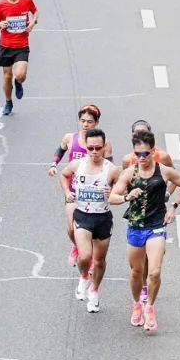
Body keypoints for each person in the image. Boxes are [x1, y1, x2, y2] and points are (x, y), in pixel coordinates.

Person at [109, 131, 180, 335]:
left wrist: (173, 206)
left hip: (156, 226)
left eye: (145, 153)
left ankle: (150, 307)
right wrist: (128, 196)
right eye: (137, 154)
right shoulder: (129, 173)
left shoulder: (163, 171)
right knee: (137, 272)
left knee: (154, 271)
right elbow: (113, 197)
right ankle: (137, 303)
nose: (141, 158)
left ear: (153, 151)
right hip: (136, 227)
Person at [61, 128, 118, 313]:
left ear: (104, 147)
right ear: (86, 146)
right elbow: (64, 174)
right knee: (85, 256)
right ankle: (84, 276)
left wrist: (115, 193)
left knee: (100, 260)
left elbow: (121, 190)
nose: (94, 152)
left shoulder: (112, 170)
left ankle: (94, 291)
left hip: (102, 218)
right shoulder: (78, 165)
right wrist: (68, 192)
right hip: (83, 216)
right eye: (91, 148)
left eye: (98, 148)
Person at [48, 105, 112, 266]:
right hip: (73, 191)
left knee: (90, 230)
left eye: (89, 121)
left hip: (94, 194)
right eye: (83, 121)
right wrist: (54, 164)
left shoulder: (103, 144)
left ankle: (88, 257)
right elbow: (61, 150)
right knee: (71, 228)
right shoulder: (70, 138)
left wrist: (109, 188)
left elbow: (110, 168)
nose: (85, 125)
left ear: (96, 123)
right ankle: (77, 246)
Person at [0, 0, 38, 116]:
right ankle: (8, 102)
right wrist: (1, 24)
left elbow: (35, 12)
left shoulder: (27, 1)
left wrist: (32, 22)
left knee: (19, 74)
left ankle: (18, 82)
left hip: (22, 45)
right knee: (7, 77)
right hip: (6, 46)